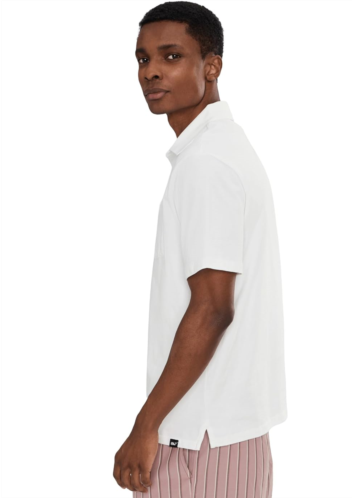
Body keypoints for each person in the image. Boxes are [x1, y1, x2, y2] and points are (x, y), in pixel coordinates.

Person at [113, 2, 288, 496]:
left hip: (196, 438)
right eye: (143, 58)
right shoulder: (223, 148)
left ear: (212, 67)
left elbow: (213, 308)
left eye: (171, 56)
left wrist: (145, 425)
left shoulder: (206, 164)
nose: (151, 71)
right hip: (228, 432)